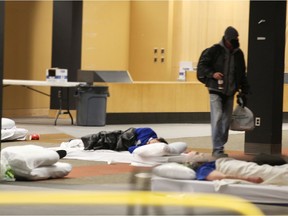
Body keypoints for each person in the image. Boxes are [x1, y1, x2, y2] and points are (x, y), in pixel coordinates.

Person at [197, 26, 250, 157]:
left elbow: (242, 73)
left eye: (236, 39)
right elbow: (202, 66)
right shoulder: (214, 50)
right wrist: (212, 74)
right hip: (215, 89)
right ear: (226, 39)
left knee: (226, 121)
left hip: (230, 91)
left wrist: (244, 90)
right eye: (232, 39)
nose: (234, 41)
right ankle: (217, 148)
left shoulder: (239, 54)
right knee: (217, 117)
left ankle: (220, 144)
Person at [189, 154, 287, 185]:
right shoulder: (202, 169)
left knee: (268, 169)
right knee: (272, 173)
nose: (199, 153)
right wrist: (248, 179)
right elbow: (219, 177)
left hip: (235, 165)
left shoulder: (208, 164)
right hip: (240, 170)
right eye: (196, 154)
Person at [81, 127, 168, 153]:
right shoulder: (148, 132)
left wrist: (140, 146)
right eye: (153, 143)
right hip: (121, 136)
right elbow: (133, 131)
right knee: (103, 136)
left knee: (102, 145)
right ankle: (83, 141)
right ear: (157, 139)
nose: (149, 144)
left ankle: (87, 144)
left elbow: (131, 149)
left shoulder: (145, 148)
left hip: (121, 145)